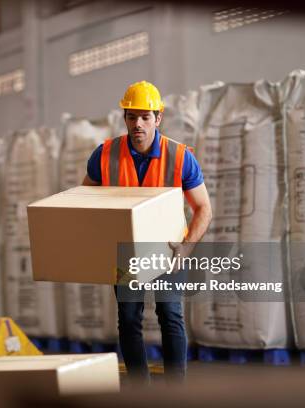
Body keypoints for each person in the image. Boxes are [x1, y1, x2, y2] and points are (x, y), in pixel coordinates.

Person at [82, 80, 212, 382]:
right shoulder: (104, 155)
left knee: (170, 315)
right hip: (126, 252)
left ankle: (175, 391)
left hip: (169, 249)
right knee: (128, 319)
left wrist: (186, 247)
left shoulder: (180, 157)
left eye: (144, 116)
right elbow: (84, 201)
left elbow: (203, 208)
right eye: (131, 116)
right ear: (124, 118)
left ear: (158, 117)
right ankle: (141, 390)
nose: (137, 124)